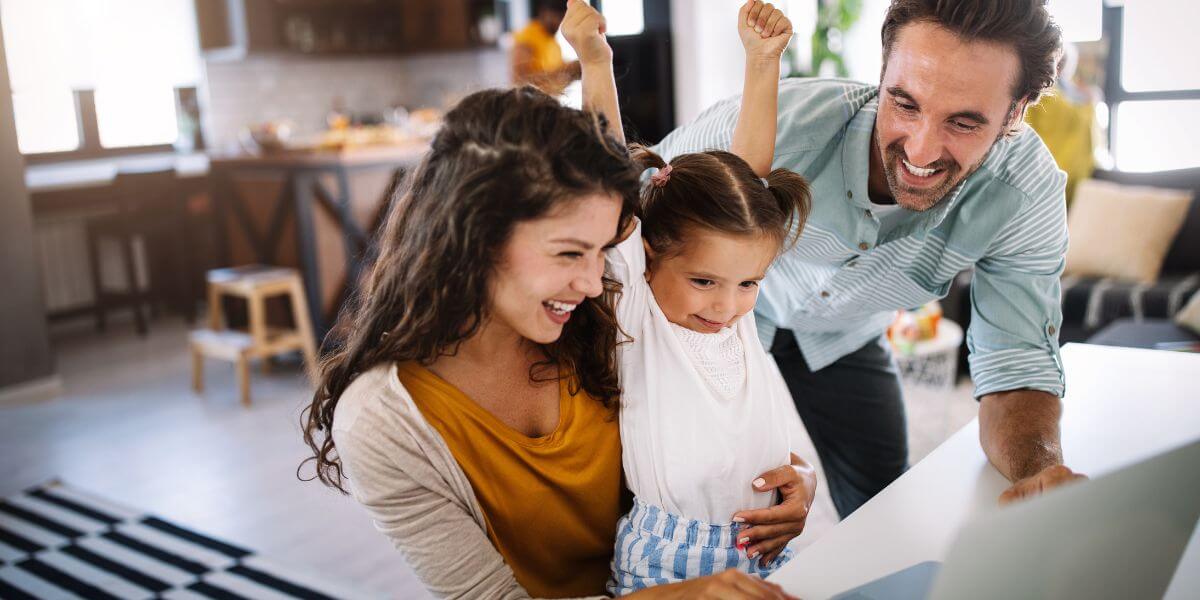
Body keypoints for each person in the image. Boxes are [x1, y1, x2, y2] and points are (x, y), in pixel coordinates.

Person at [301, 86, 808, 599]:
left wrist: (793, 484)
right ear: (474, 234)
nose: (592, 282)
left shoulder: (602, 315)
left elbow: (707, 426)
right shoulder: (384, 421)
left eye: (601, 251)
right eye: (568, 253)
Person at [652, 0, 1088, 519]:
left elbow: (1015, 364)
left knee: (882, 510)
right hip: (713, 321)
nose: (922, 151)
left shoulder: (1024, 194)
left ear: (1014, 113)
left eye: (964, 122)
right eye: (904, 104)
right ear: (881, 76)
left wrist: (1039, 472)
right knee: (678, 489)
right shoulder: (781, 123)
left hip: (844, 333)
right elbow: (634, 204)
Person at [564, 1, 816, 594]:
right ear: (648, 255)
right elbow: (608, 180)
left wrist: (762, 63)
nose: (726, 307)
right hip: (668, 562)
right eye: (704, 281)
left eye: (749, 283)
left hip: (762, 547)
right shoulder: (642, 312)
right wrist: (595, 63)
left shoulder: (729, 309)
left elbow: (748, 182)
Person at [512, 0, 582, 95]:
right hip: (530, 105)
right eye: (556, 16)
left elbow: (557, 70)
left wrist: (575, 69)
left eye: (562, 17)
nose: (559, 22)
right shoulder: (527, 36)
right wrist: (567, 70)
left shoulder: (554, 43)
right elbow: (522, 80)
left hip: (549, 103)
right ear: (543, 12)